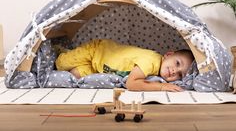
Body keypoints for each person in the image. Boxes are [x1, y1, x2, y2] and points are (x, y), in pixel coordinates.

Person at [55, 39, 194, 92]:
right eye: (177, 63)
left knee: (74, 75)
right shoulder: (152, 61)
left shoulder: (156, 72)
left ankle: (69, 53)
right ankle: (60, 50)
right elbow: (131, 84)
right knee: (60, 64)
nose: (175, 71)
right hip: (97, 51)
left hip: (97, 67)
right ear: (168, 54)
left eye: (180, 74)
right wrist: (163, 87)